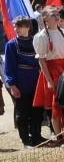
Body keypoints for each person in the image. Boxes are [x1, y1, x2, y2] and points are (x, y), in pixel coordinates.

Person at [32, 4, 64, 141]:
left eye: (57, 14)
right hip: (52, 72)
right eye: (53, 15)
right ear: (45, 18)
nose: (57, 17)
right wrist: (50, 81)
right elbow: (42, 61)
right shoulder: (42, 36)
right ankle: (60, 137)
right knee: (56, 107)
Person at [3, 16, 43, 146]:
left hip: (36, 82)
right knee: (22, 113)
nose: (16, 29)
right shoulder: (11, 44)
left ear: (27, 27)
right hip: (21, 83)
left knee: (37, 111)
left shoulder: (36, 41)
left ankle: (37, 136)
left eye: (19, 26)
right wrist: (12, 85)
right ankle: (26, 140)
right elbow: (9, 66)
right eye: (15, 26)